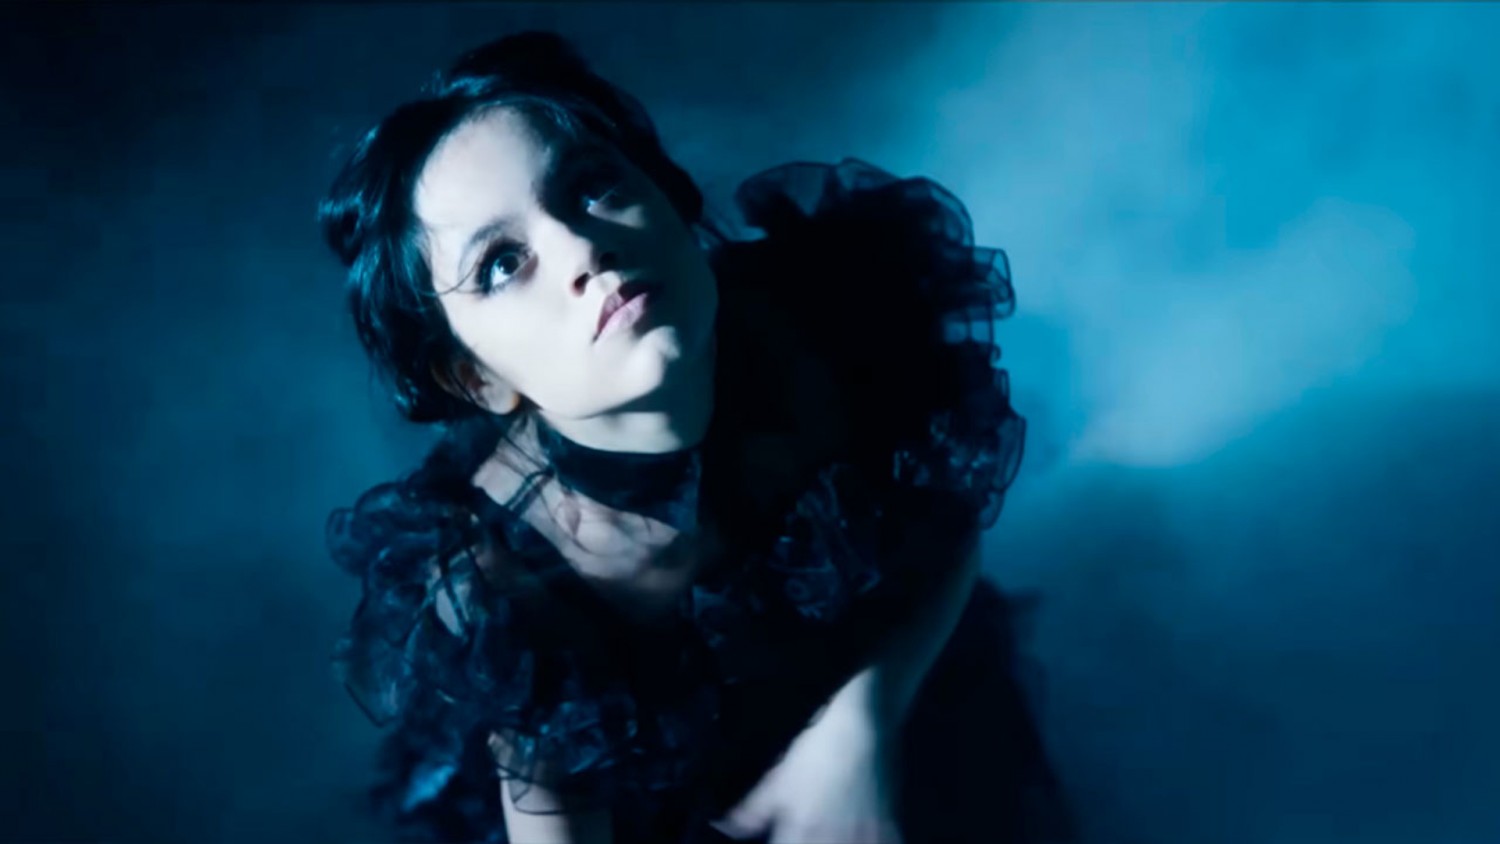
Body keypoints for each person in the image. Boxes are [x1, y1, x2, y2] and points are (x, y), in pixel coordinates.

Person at [318, 30, 1073, 844]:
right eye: (502, 263)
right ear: (476, 379)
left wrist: (861, 722)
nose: (581, 246)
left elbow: (946, 528)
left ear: (672, 200)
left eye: (591, 186)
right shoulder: (504, 575)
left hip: (901, 705)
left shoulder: (829, 310)